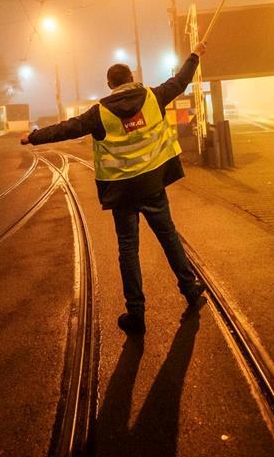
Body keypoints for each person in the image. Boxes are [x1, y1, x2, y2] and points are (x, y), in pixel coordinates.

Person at [20, 42, 208, 336]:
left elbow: (66, 128)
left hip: (122, 193)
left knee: (128, 249)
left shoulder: (100, 113)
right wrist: (195, 54)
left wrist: (33, 137)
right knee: (169, 237)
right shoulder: (153, 97)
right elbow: (180, 81)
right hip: (152, 185)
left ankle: (136, 313)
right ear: (131, 78)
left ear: (110, 85)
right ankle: (190, 287)